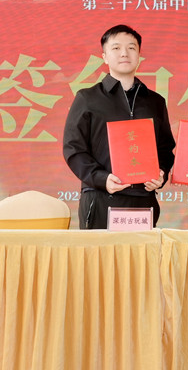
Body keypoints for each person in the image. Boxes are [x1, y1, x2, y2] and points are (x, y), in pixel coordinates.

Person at [63, 24, 176, 229]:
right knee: (99, 252)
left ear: (139, 55)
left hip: (143, 200)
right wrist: (101, 178)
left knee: (142, 251)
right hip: (101, 198)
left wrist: (161, 173)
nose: (124, 53)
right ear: (104, 56)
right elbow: (73, 149)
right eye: (116, 48)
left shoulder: (155, 102)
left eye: (131, 48)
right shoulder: (87, 98)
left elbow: (166, 149)